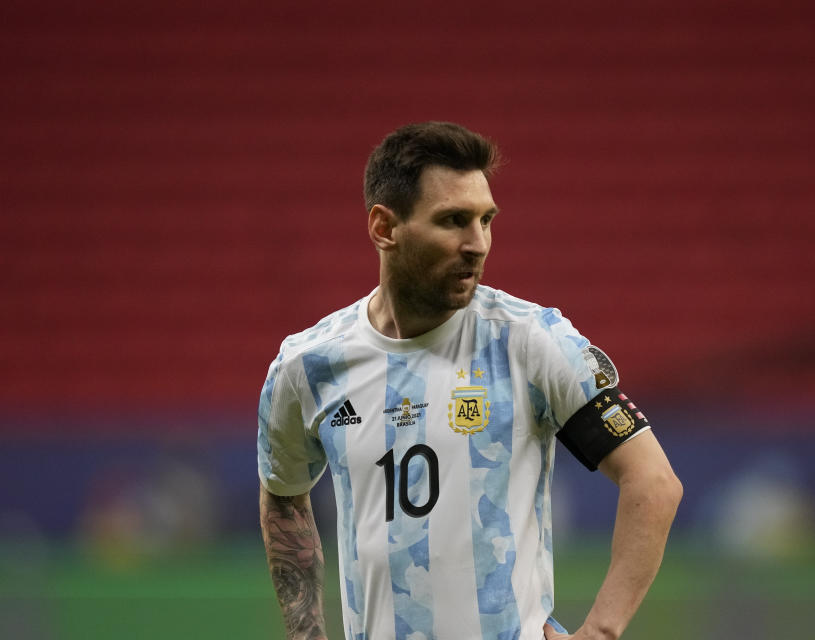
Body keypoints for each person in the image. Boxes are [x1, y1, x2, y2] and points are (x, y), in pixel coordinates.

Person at [257, 121, 682, 640]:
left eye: (486, 220)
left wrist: (600, 632)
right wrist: (305, 633)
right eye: (454, 221)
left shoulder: (531, 341)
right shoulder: (310, 365)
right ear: (384, 228)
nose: (477, 243)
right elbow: (283, 492)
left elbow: (654, 483)